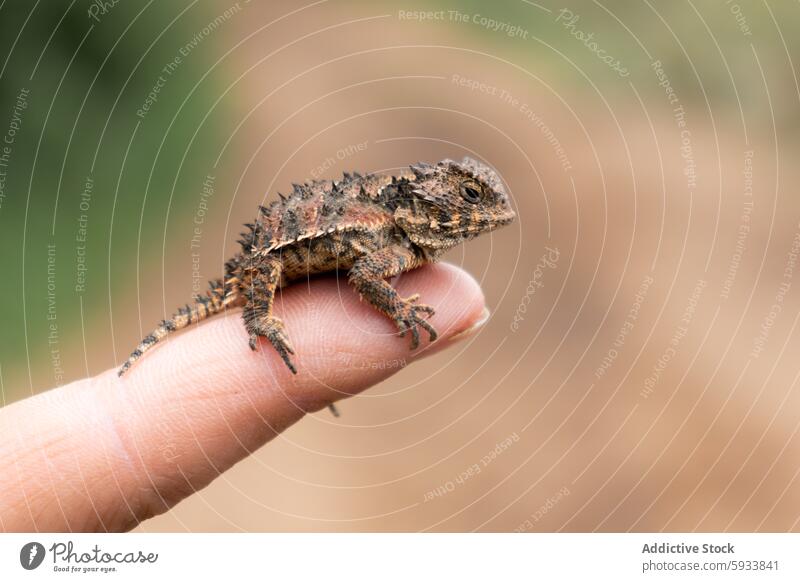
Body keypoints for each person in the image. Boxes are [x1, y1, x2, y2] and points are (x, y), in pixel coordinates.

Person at [0, 264, 487, 532]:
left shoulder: (392, 238)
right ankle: (258, 318)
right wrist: (399, 307)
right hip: (268, 264)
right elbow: (363, 278)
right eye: (467, 198)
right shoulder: (384, 241)